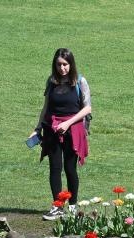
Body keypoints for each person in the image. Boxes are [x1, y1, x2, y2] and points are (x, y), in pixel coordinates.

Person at [31, 48, 91, 220]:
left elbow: (87, 108)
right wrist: (37, 128)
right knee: (55, 168)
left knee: (70, 169)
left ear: (71, 64)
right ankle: (57, 206)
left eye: (65, 64)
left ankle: (72, 207)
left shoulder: (80, 81)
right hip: (52, 129)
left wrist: (67, 123)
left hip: (73, 130)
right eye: (59, 64)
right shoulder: (51, 81)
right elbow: (46, 107)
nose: (62, 68)